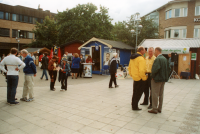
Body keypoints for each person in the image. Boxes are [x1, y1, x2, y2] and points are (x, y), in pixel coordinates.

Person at [148, 47, 170, 114]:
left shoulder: (158, 59)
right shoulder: (165, 59)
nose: (154, 52)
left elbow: (155, 69)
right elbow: (169, 69)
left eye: (154, 51)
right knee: (161, 94)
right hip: (163, 79)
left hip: (156, 79)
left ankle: (154, 108)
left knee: (154, 94)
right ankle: (159, 108)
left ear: (157, 51)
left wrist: (152, 76)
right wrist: (166, 77)